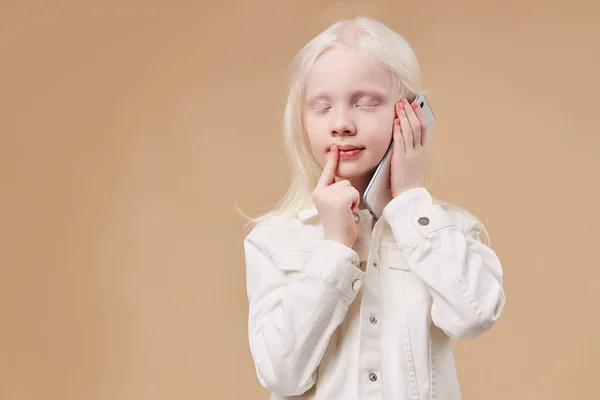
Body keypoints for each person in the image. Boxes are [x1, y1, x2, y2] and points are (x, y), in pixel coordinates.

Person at [240, 16, 506, 400]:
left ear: (411, 113)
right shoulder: (273, 239)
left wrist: (412, 201)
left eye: (366, 103)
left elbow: (474, 316)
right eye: (322, 107)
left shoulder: (445, 229)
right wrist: (334, 248)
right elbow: (282, 375)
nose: (342, 124)